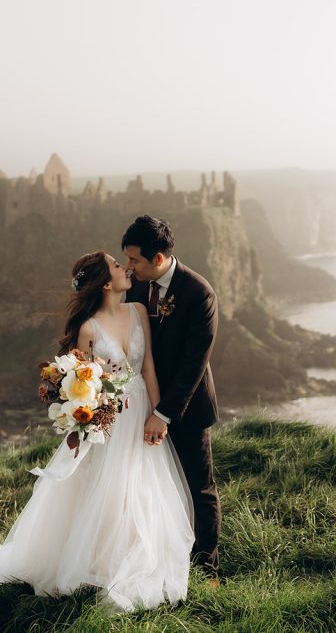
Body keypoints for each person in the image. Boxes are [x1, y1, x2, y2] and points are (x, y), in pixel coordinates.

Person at [0, 251, 195, 612]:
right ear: (105, 283)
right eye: (116, 265)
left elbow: (147, 368)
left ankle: (133, 554)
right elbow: (82, 383)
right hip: (109, 419)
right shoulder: (88, 328)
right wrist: (89, 413)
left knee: (142, 485)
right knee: (107, 486)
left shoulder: (137, 311)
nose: (125, 268)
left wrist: (159, 417)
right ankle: (99, 562)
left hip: (143, 412)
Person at [121, 215, 221, 582]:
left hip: (186, 408)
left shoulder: (199, 293)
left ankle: (207, 569)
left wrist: (162, 414)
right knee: (150, 487)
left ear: (159, 258)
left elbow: (194, 364)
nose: (129, 267)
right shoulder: (135, 285)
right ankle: (157, 561)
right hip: (141, 404)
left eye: (135, 260)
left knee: (198, 489)